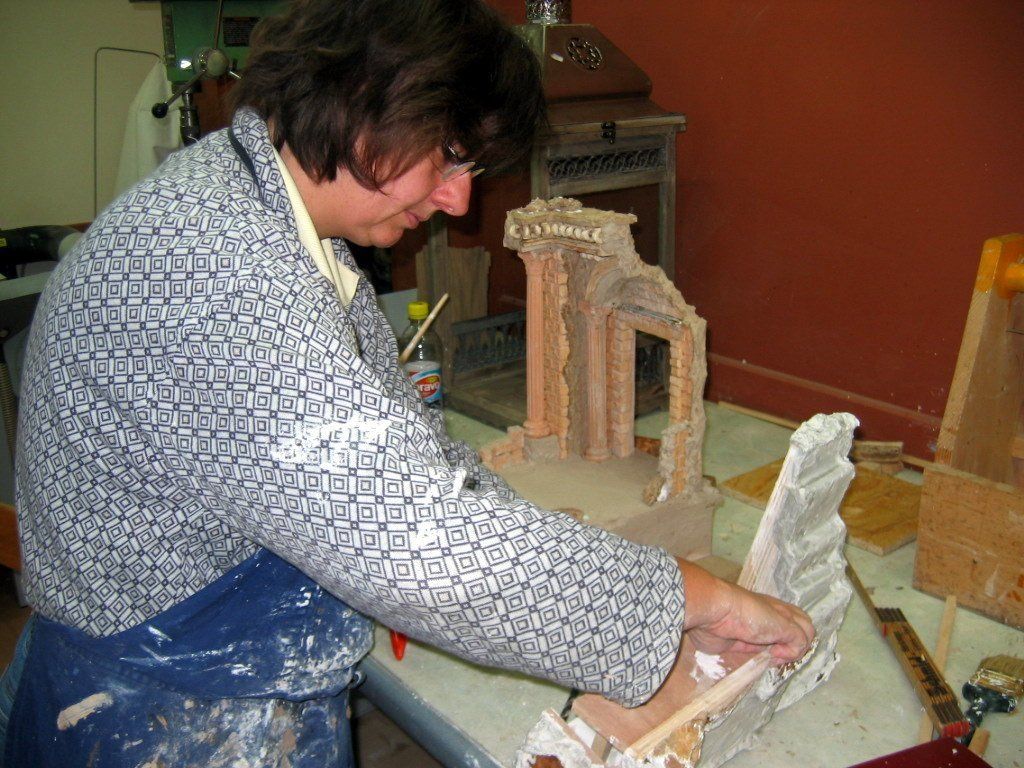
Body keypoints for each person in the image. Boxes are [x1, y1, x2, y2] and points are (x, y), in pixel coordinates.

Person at [2, 0, 814, 765]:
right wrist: (689, 598)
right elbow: (418, 543)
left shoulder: (270, 215)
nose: (460, 201)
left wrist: (627, 600)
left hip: (223, 671)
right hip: (160, 716)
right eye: (451, 156)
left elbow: (421, 468)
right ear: (359, 99)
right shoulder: (218, 271)